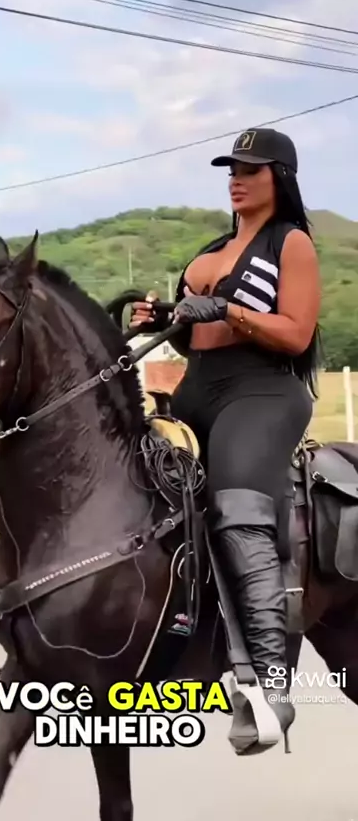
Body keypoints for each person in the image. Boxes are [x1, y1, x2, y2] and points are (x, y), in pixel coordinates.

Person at [130, 128, 321, 754]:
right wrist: (167, 320)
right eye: (231, 170)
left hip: (261, 392)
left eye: (250, 169)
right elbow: (197, 336)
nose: (236, 179)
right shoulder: (213, 249)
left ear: (279, 177)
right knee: (143, 492)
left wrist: (227, 310)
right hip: (198, 387)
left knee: (237, 511)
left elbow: (295, 334)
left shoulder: (290, 243)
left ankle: (269, 687)